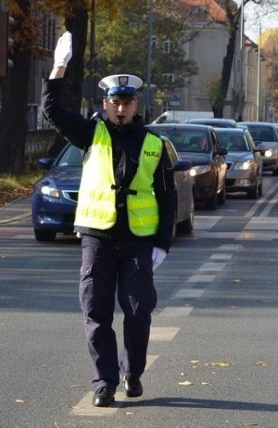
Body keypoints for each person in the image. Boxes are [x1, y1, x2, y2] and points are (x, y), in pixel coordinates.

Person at [42, 32, 176, 408]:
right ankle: (105, 383)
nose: (120, 109)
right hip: (97, 240)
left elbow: (167, 197)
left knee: (138, 313)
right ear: (105, 103)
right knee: (96, 314)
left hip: (138, 242)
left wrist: (162, 244)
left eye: (127, 103)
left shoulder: (153, 144)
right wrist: (59, 68)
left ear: (137, 105)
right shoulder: (91, 133)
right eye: (115, 103)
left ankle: (132, 373)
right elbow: (51, 112)